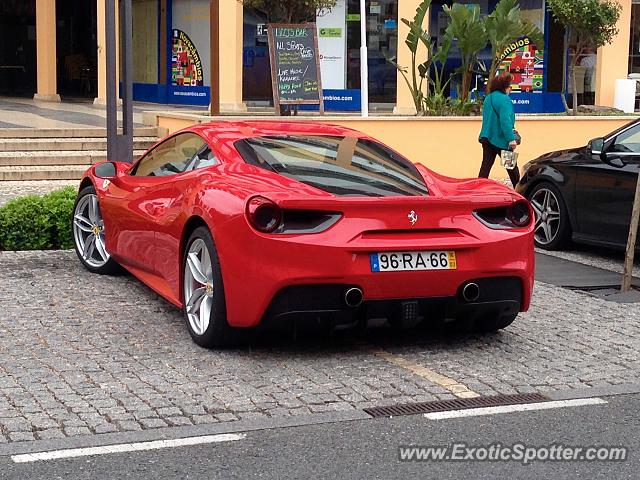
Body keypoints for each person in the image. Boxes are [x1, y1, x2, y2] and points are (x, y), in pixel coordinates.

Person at [478, 73, 520, 187]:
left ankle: (478, 190)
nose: (510, 89)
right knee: (512, 168)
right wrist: (511, 139)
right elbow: (505, 121)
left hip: (486, 138)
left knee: (485, 167)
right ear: (504, 87)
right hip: (501, 140)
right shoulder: (504, 100)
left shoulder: (488, 98)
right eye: (509, 86)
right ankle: (521, 192)